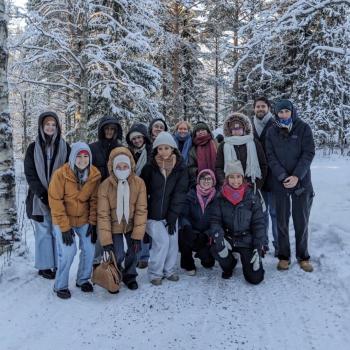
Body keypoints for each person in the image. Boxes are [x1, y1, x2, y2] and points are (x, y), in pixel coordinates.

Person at [266, 99, 315, 272]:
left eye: (286, 111)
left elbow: (308, 153)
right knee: (281, 221)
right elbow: (270, 156)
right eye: (281, 112)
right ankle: (284, 257)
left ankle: (303, 257)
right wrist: (282, 176)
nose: (284, 115)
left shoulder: (303, 128)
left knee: (301, 220)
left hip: (301, 182)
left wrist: (296, 176)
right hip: (280, 182)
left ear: (292, 111)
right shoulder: (272, 131)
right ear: (276, 113)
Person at [48, 142, 101, 299]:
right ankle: (60, 285)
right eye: (79, 156)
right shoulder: (60, 174)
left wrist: (92, 222)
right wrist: (64, 227)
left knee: (90, 248)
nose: (82, 160)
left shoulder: (94, 175)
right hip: (64, 219)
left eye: (86, 156)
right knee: (68, 251)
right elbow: (55, 202)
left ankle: (83, 279)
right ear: (72, 157)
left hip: (84, 219)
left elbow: (94, 200)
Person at [24, 111, 70, 280]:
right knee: (43, 232)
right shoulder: (32, 148)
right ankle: (44, 267)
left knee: (58, 230)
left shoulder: (65, 146)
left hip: (60, 197)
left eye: (53, 125)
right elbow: (30, 173)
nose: (50, 127)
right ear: (41, 127)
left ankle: (59, 264)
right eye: (47, 125)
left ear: (57, 127)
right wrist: (42, 193)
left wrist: (60, 193)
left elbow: (70, 171)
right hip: (39, 197)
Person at [141, 132, 189, 286]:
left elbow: (179, 193)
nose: (163, 152)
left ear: (173, 149)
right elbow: (143, 191)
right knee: (161, 242)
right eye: (160, 148)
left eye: (166, 148)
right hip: (153, 215)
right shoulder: (150, 167)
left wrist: (172, 216)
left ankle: (169, 270)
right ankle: (155, 273)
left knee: (172, 242)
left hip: (171, 214)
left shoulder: (180, 168)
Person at [97, 147, 147, 291]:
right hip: (114, 225)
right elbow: (103, 214)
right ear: (113, 167)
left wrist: (137, 236)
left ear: (130, 166)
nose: (122, 169)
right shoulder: (105, 186)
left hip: (131, 224)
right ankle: (115, 274)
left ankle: (130, 275)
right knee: (117, 253)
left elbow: (141, 210)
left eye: (125, 166)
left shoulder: (138, 183)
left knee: (135, 250)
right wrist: (106, 241)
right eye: (118, 166)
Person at [210, 160, 265, 284]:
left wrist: (258, 246)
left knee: (255, 278)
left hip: (247, 240)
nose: (235, 181)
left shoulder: (252, 197)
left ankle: (252, 262)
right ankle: (230, 264)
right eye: (232, 177)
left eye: (238, 177)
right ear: (227, 178)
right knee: (216, 248)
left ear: (243, 177)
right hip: (229, 238)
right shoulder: (220, 197)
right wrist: (219, 237)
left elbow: (259, 223)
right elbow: (215, 220)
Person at [89, 116, 123, 266]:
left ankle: (114, 264)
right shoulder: (93, 148)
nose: (109, 132)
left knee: (115, 230)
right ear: (102, 130)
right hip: (97, 194)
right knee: (98, 229)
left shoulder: (120, 149)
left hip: (116, 195)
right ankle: (96, 263)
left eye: (112, 129)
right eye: (107, 129)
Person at [252, 96, 278, 255]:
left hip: (274, 177)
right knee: (261, 214)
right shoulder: (250, 126)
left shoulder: (275, 124)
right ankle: (263, 244)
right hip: (258, 178)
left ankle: (279, 245)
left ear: (268, 108)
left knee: (275, 213)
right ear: (254, 109)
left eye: (263, 106)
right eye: (257, 107)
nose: (260, 109)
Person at [216, 113, 267, 190]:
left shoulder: (254, 142)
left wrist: (258, 184)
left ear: (244, 129)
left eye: (239, 128)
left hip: (251, 185)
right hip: (231, 186)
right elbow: (219, 167)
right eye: (234, 129)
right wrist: (224, 183)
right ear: (230, 130)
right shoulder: (224, 145)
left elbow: (263, 164)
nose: (237, 131)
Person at [180, 169, 217, 275]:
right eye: (203, 178)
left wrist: (207, 234)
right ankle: (188, 264)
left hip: (207, 235)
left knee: (208, 264)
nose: (206, 181)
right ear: (198, 181)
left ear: (213, 181)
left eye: (209, 179)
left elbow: (218, 221)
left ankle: (203, 254)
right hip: (193, 231)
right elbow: (184, 215)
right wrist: (187, 227)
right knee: (183, 236)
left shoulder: (217, 197)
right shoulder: (191, 195)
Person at [126, 123, 152, 269]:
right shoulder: (128, 153)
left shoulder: (151, 152)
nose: (137, 141)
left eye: (139, 137)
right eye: (134, 139)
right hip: (130, 193)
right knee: (132, 225)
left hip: (147, 192)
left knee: (144, 225)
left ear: (144, 137)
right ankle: (134, 253)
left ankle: (144, 256)